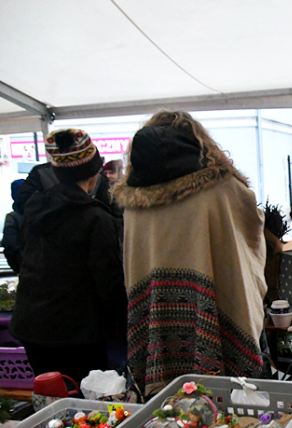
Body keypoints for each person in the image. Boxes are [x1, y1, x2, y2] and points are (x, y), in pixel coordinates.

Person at [113, 110, 269, 396]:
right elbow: (251, 236)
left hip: (156, 325)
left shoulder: (133, 204)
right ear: (196, 142)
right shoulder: (221, 189)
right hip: (216, 316)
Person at [10, 129, 126, 383]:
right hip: (78, 332)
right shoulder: (95, 218)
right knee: (86, 405)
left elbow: (21, 257)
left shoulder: (33, 209)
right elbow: (109, 281)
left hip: (32, 326)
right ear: (94, 172)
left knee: (51, 400)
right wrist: (126, 325)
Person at [2, 179, 25, 273]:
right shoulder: (45, 212)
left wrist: (21, 269)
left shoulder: (13, 218)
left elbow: (10, 247)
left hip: (28, 272)